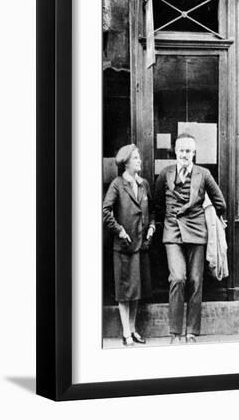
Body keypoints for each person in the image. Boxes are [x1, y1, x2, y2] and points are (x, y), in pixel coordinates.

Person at [154, 133, 226, 344]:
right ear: (175, 152)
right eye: (182, 150)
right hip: (173, 231)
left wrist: (215, 218)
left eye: (189, 151)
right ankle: (175, 333)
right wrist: (168, 221)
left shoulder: (203, 174)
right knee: (178, 278)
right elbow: (158, 204)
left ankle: (192, 332)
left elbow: (220, 202)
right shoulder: (165, 174)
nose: (185, 154)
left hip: (196, 231)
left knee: (195, 281)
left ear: (194, 153)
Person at [103, 144, 155, 346]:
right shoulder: (117, 184)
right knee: (125, 293)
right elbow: (106, 211)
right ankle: (126, 333)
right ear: (126, 162)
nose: (140, 161)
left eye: (139, 157)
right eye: (136, 158)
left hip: (141, 246)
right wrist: (120, 231)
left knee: (136, 292)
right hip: (124, 247)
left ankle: (133, 329)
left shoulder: (144, 184)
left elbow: (152, 211)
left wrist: (151, 227)